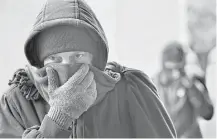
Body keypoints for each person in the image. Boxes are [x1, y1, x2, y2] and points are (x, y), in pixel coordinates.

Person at [0, 0, 176, 138]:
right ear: (40, 61)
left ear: (95, 57)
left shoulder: (130, 89)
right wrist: (58, 118)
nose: (67, 67)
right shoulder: (17, 102)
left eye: (78, 56)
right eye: (54, 59)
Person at [152, 41, 214, 138]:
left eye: (178, 68)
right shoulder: (150, 85)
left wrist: (192, 89)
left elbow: (207, 113)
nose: (174, 73)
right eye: (170, 68)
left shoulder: (193, 81)